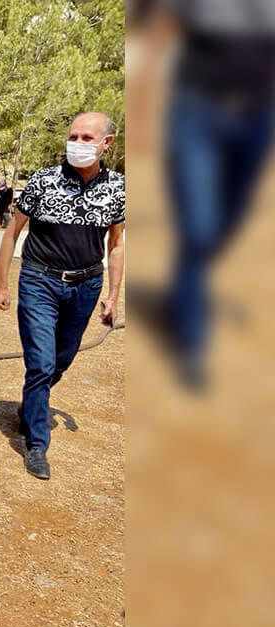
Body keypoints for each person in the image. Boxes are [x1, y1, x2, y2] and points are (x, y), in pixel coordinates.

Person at [140, 2, 274, 389]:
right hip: (198, 112)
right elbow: (161, 32)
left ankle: (182, 293)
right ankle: (192, 344)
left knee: (230, 220)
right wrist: (145, 109)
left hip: (259, 117)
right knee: (198, 228)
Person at [0, 112, 125, 480]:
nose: (76, 144)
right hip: (40, 282)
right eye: (73, 136)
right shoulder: (43, 181)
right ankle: (36, 444)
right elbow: (12, 231)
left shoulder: (118, 187)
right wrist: (2, 284)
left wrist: (112, 296)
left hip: (86, 285)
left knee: (61, 360)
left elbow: (115, 245)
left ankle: (32, 402)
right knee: (41, 364)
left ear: (105, 143)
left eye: (85, 138)